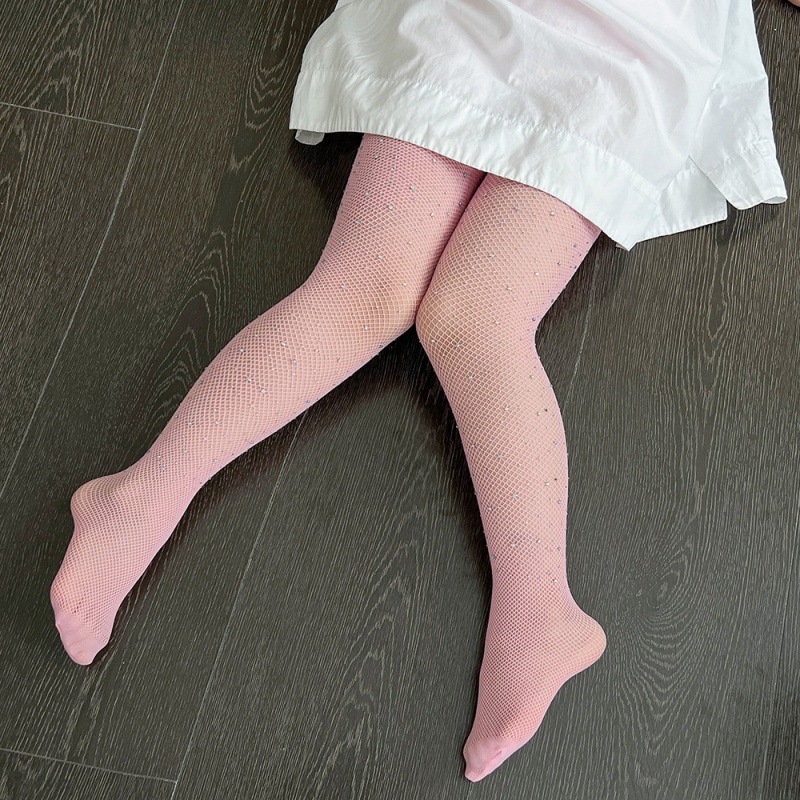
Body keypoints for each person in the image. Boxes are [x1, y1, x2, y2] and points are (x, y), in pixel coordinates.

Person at [49, 0, 793, 785]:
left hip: (631, 44)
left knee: (476, 317)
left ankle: (540, 606)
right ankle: (141, 494)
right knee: (367, 289)